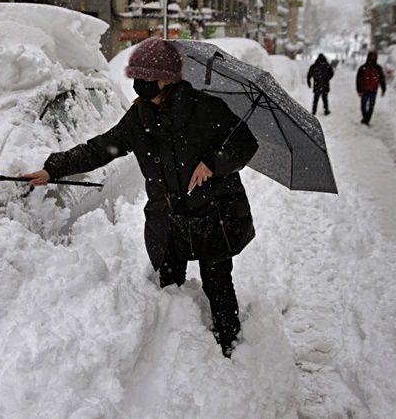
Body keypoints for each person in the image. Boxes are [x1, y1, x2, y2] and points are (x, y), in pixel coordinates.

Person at [22, 38, 259, 358]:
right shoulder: (140, 120)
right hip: (170, 218)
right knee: (170, 284)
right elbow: (100, 148)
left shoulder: (208, 109)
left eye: (145, 79)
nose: (138, 86)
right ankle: (174, 351)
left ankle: (230, 345)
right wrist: (54, 169)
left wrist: (213, 162)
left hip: (213, 214)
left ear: (167, 78)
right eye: (135, 78)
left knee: (217, 281)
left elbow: (245, 143)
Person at [355, 51, 386, 126]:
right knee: (364, 105)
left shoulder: (376, 68)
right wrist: (359, 90)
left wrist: (383, 89)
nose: (372, 58)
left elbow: (382, 79)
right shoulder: (365, 68)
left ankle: (367, 118)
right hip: (366, 89)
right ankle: (366, 117)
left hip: (372, 89)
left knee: (369, 106)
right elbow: (359, 79)